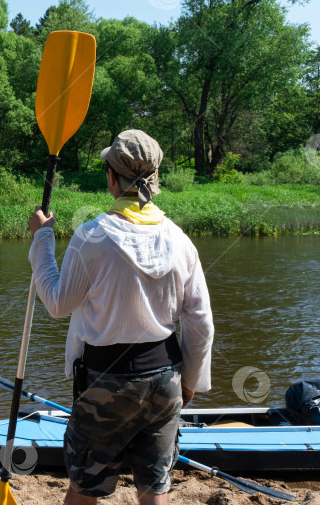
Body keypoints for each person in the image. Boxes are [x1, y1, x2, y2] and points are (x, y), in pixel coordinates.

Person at [28, 129, 214, 505]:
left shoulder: (91, 237)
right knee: (154, 485)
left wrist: (41, 240)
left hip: (106, 381)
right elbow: (200, 322)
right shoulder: (180, 239)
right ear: (155, 178)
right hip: (165, 379)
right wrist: (190, 382)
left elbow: (58, 304)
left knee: (85, 487)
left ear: (112, 177)